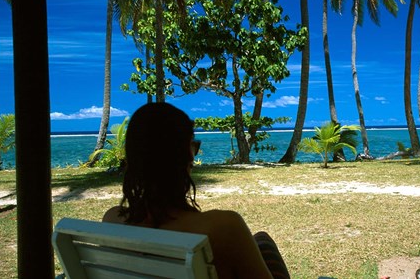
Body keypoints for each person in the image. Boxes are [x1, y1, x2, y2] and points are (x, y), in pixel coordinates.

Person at [103, 102, 290, 279]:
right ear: (185, 156)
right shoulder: (224, 227)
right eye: (192, 144)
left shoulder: (112, 220)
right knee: (263, 241)